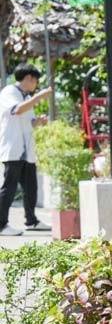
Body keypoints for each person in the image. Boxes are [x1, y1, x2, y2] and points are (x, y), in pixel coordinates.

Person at [0, 64, 52, 236]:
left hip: (26, 152)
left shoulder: (26, 96)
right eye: (36, 80)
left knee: (31, 188)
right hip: (13, 150)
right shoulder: (9, 92)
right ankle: (1, 225)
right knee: (9, 188)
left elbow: (28, 121)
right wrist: (39, 97)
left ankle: (32, 221)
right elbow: (17, 110)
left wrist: (39, 121)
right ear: (29, 78)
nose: (36, 84)